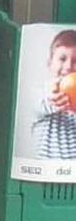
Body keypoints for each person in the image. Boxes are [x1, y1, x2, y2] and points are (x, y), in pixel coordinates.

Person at [32, 29, 76, 159]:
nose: (68, 66)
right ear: (49, 63)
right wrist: (54, 98)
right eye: (62, 59)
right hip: (45, 167)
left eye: (75, 61)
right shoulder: (42, 92)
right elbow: (40, 103)